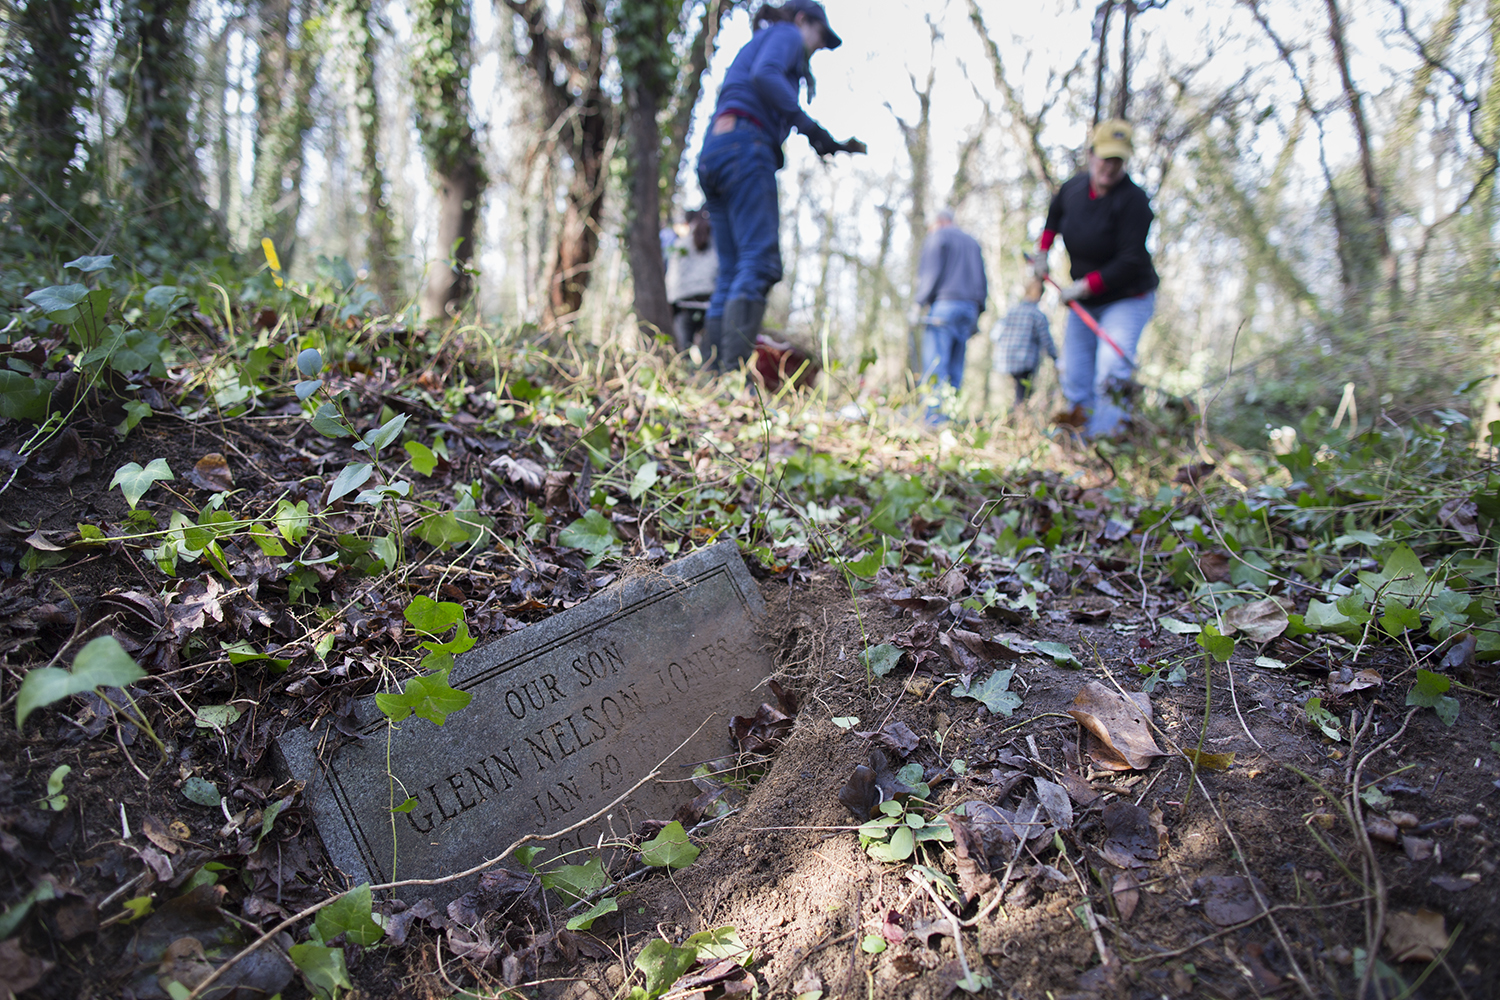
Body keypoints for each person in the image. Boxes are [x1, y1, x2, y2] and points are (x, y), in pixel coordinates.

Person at [696, 0, 865, 373]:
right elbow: (766, 75)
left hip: (715, 152)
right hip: (745, 148)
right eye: (820, 37)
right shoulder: (785, 34)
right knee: (759, 262)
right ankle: (730, 376)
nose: (819, 46)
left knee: (731, 269)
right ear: (803, 20)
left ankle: (708, 378)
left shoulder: (763, 40)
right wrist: (812, 129)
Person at [1033, 118, 1159, 438]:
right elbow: (1053, 217)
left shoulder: (1135, 202)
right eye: (1105, 158)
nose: (1110, 167)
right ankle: (1079, 437)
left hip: (1127, 297)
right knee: (1075, 369)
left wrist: (1083, 286)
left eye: (1118, 160)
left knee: (1111, 369)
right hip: (1086, 302)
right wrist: (1042, 252)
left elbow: (1130, 261)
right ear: (1091, 155)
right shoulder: (1072, 190)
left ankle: (1108, 440)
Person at [914, 208, 988, 417]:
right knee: (955, 369)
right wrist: (979, 311)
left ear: (938, 222)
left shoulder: (938, 236)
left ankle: (933, 421)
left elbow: (930, 273)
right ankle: (951, 418)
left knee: (935, 366)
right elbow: (982, 280)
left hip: (944, 307)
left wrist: (919, 302)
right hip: (969, 309)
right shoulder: (972, 242)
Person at [992, 276, 1056, 412]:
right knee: (1023, 395)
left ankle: (1011, 418)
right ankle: (1018, 421)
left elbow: (995, 334)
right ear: (1040, 294)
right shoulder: (1037, 314)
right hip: (1024, 361)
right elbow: (1046, 340)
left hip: (1006, 360)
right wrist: (1056, 358)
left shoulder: (1011, 311)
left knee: (1016, 393)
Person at [665, 209, 718, 353]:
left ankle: (685, 373)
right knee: (709, 352)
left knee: (683, 352)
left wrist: (671, 301)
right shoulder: (717, 241)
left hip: (683, 304)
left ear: (687, 223)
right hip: (711, 304)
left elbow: (672, 275)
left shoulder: (679, 244)